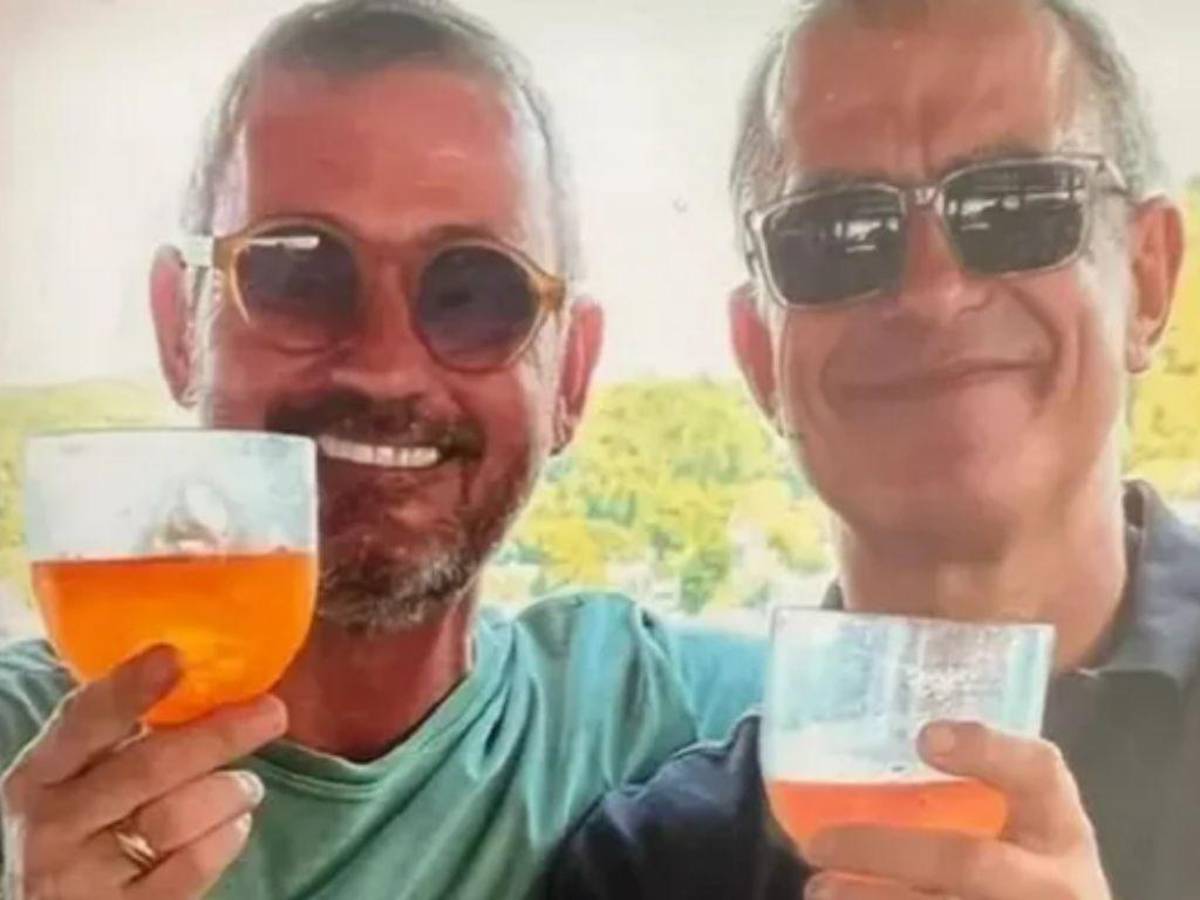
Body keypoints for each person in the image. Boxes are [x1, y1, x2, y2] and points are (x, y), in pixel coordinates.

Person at [0, 2, 764, 898]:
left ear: (571, 375)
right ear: (180, 328)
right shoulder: (21, 762)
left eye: (476, 292)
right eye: (297, 271)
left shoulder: (703, 731)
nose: (385, 365)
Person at [548, 1, 1200, 898]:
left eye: (1015, 206)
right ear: (759, 356)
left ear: (1149, 279)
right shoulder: (651, 866)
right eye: (837, 236)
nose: (933, 290)